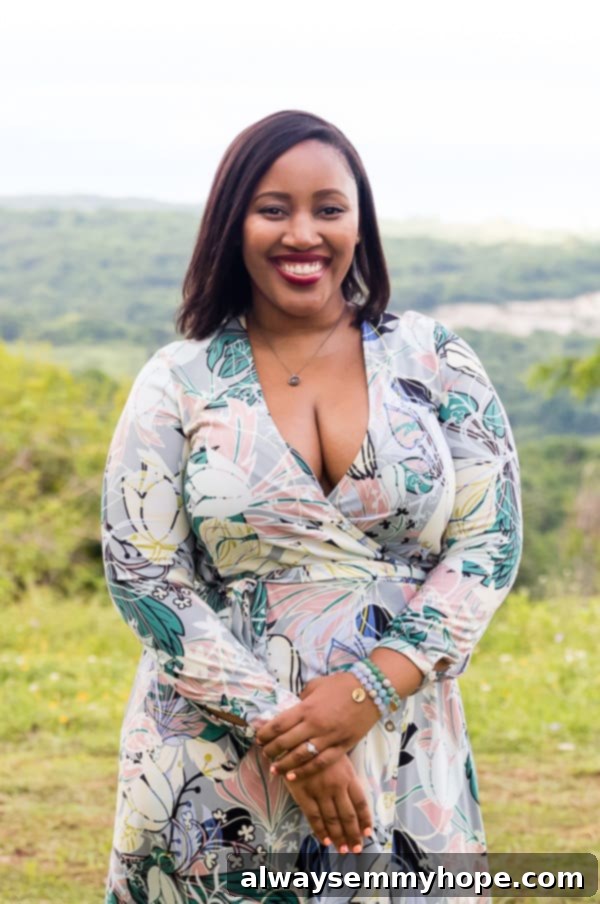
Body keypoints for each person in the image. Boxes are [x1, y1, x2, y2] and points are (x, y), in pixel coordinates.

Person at [100, 109, 523, 903]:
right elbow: (143, 575)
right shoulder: (179, 377)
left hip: (400, 737)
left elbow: (489, 543)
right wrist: (297, 737)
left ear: (360, 224)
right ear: (233, 225)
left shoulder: (434, 358)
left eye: (328, 208)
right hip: (218, 755)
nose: (304, 233)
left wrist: (370, 688)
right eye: (273, 209)